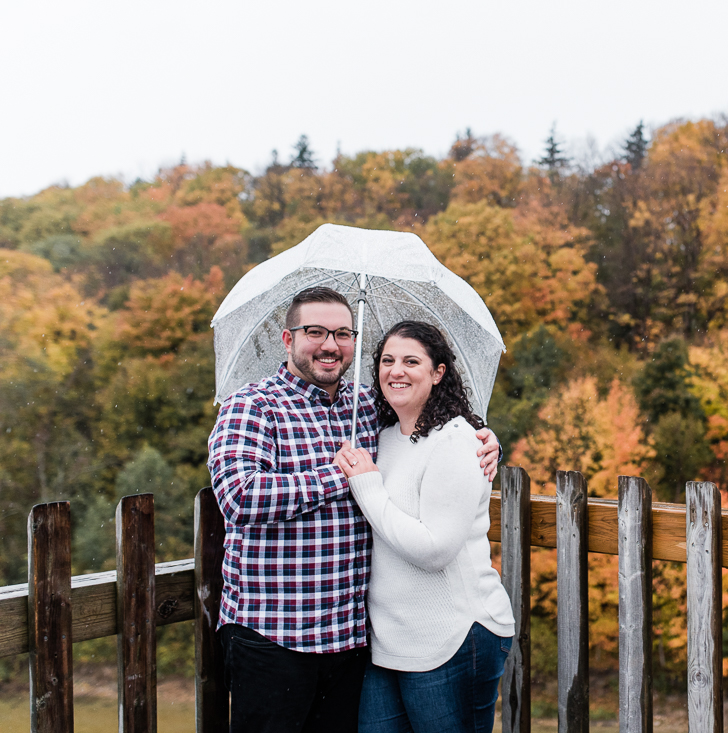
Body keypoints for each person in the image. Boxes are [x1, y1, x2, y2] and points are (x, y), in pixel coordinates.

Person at [207, 288, 500, 733]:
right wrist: (338, 477)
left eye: (343, 333)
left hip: (349, 638)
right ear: (287, 339)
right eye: (315, 332)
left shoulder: (364, 405)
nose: (330, 344)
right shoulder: (251, 407)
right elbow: (240, 497)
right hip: (274, 635)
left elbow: (429, 429)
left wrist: (485, 438)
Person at [336, 321, 515, 733]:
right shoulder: (379, 438)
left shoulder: (456, 441)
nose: (396, 371)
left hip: (452, 636)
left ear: (438, 373)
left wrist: (366, 485)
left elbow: (434, 550)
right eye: (387, 361)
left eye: (411, 361)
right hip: (390, 641)